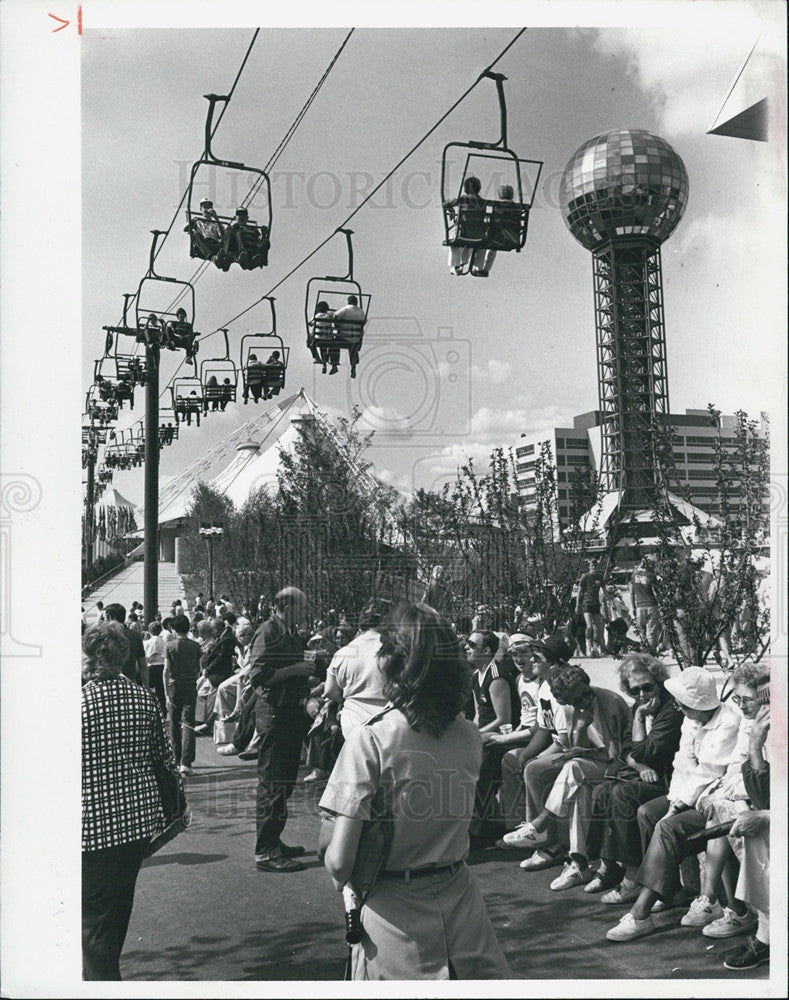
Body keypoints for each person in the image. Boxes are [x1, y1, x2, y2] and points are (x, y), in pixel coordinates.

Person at [320, 601, 512, 980]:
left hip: (393, 909)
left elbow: (340, 862)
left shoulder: (370, 739)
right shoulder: (468, 733)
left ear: (390, 663)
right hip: (461, 897)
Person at [605, 666, 741, 941]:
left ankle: (641, 913)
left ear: (698, 704)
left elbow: (709, 771)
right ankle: (668, 889)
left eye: (684, 704)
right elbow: (682, 762)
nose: (678, 707)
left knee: (667, 828)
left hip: (716, 797)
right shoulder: (693, 719)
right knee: (648, 813)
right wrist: (672, 804)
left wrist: (677, 808)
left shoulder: (728, 722)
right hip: (692, 794)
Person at [82, 623, 182, 980]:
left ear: (90, 655)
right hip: (136, 820)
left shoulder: (79, 703)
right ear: (124, 656)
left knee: (92, 915)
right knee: (119, 907)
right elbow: (164, 759)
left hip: (91, 823)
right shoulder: (143, 698)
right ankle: (104, 973)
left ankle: (102, 982)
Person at [503, 663, 630, 890]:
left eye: (585, 692)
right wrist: (581, 728)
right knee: (577, 786)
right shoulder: (573, 708)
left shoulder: (609, 703)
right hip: (594, 763)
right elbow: (576, 745)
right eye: (576, 699)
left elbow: (615, 755)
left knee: (573, 768)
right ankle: (578, 862)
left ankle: (540, 824)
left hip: (618, 767)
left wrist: (582, 752)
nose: (584, 700)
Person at [583, 653, 683, 898]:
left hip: (671, 778)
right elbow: (627, 750)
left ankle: (632, 876)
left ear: (659, 682)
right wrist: (640, 766)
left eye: (647, 687)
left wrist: (638, 718)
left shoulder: (670, 709)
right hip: (649, 774)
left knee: (622, 794)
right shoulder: (641, 705)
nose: (642, 695)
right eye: (634, 690)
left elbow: (644, 751)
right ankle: (607, 865)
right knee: (602, 791)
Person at [685, 662, 770, 938]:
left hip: (771, 807)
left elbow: (767, 788)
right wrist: (743, 803)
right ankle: (729, 908)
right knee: (722, 807)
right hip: (752, 801)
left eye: (747, 699)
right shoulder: (749, 722)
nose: (742, 706)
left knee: (724, 811)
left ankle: (728, 907)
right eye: (737, 699)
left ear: (766, 696)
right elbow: (735, 771)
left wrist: (756, 748)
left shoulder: (769, 727)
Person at [247, 586, 315, 872]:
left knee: (284, 783)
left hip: (288, 714)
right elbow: (258, 676)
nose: (305, 613)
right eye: (301, 608)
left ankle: (274, 840)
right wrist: (296, 670)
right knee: (273, 784)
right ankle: (266, 851)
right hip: (274, 715)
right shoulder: (268, 632)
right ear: (286, 607)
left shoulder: (286, 631)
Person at [324, 599, 390, 739]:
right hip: (388, 725)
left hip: (353, 727)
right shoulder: (396, 651)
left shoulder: (344, 652)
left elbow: (329, 690)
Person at [163, 614, 202, 776]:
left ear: (173, 628)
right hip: (190, 685)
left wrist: (166, 693)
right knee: (188, 723)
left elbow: (166, 670)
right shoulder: (195, 646)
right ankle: (186, 762)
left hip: (174, 685)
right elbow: (199, 669)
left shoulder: (169, 646)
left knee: (173, 722)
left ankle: (175, 760)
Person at [471, 183, 520, 276]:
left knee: (482, 243)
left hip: (502, 237)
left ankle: (479, 267)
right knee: (493, 248)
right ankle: (485, 270)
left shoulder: (498, 206)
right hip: (513, 239)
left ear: (500, 195)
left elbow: (496, 221)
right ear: (512, 195)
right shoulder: (518, 207)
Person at [444, 175, 485, 275]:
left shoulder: (462, 199)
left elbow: (444, 204)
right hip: (478, 235)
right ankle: (472, 265)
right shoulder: (483, 202)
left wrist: (451, 209)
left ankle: (455, 266)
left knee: (453, 243)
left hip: (463, 233)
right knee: (469, 244)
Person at [103, 603, 147, 685]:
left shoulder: (105, 636)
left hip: (108, 683)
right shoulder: (135, 635)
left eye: (104, 618)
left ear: (110, 617)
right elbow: (142, 664)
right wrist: (146, 685)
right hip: (130, 681)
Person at [630, 556, 661, 655]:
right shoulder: (651, 575)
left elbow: (631, 592)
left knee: (642, 632)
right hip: (652, 605)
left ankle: (644, 652)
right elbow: (656, 592)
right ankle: (650, 655)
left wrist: (633, 607)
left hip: (640, 606)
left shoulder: (634, 575)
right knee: (651, 632)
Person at [575, 558, 605, 657]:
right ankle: (588, 647)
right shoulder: (585, 576)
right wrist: (577, 605)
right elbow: (580, 592)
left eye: (595, 565)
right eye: (592, 565)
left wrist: (608, 599)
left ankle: (597, 648)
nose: (594, 567)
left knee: (599, 627)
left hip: (596, 604)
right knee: (589, 627)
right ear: (589, 567)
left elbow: (604, 589)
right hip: (586, 603)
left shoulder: (599, 577)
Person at [333, 294, 366, 378]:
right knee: (353, 347)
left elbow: (335, 316)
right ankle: (353, 366)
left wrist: (338, 325)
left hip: (343, 337)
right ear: (356, 303)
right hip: (355, 339)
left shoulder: (345, 309)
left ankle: (334, 364)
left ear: (348, 302)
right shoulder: (361, 312)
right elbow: (364, 322)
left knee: (334, 343)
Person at [185, 197, 224, 262]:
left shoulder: (215, 223)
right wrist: (193, 221)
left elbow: (223, 234)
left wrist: (216, 218)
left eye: (209, 207)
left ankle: (221, 261)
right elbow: (185, 229)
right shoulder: (197, 221)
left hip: (213, 244)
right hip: (202, 245)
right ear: (201, 209)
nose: (207, 209)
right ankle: (212, 257)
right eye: (205, 207)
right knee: (195, 235)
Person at [143, 620, 168, 712]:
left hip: (151, 667)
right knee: (161, 691)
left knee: (148, 689)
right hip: (161, 666)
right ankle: (163, 710)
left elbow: (147, 657)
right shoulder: (164, 642)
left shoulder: (147, 642)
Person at [310, 300, 337, 374]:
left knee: (314, 342)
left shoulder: (316, 316)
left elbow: (310, 324)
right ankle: (332, 364)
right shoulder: (329, 315)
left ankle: (322, 363)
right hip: (328, 339)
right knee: (331, 344)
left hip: (319, 339)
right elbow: (337, 315)